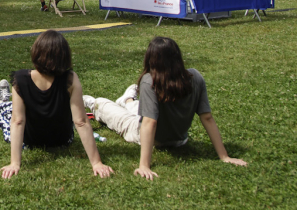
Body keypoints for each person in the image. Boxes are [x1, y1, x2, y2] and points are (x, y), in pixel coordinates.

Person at [83, 36, 247, 180]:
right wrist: (224, 156)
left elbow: (149, 123)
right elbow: (207, 118)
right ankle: (128, 100)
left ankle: (91, 101)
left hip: (146, 134)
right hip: (179, 140)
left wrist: (144, 166)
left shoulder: (150, 81)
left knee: (109, 110)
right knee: (140, 108)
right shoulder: (195, 77)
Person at [0, 30, 113, 180]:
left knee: (9, 113)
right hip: (63, 140)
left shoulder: (20, 78)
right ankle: (2, 100)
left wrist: (15, 163)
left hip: (29, 141)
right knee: (14, 109)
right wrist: (96, 163)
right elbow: (81, 121)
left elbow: (17, 121)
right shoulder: (70, 79)